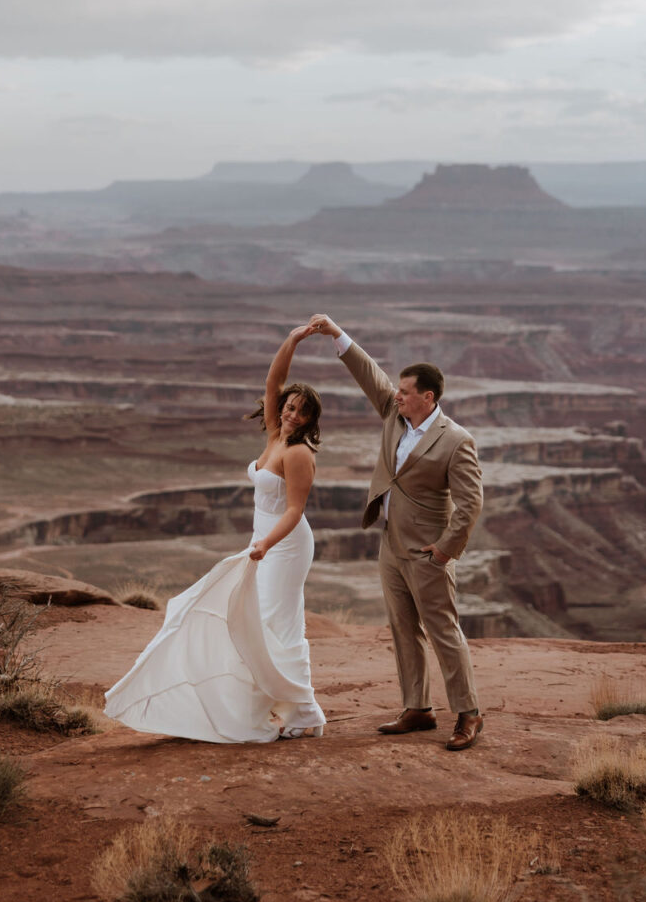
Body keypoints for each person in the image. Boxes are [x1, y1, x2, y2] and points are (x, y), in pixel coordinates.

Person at [104, 325, 326, 743]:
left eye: (301, 411)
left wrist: (265, 544)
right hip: (263, 541)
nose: (290, 413)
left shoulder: (298, 453)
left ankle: (305, 712)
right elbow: (272, 382)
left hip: (285, 545)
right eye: (289, 407)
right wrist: (293, 341)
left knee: (280, 625)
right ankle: (288, 706)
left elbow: (295, 510)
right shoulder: (276, 434)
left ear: (311, 420)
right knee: (259, 623)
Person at [308, 314, 484, 751]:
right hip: (391, 543)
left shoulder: (455, 440)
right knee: (403, 628)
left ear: (427, 397)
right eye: (398, 392)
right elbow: (369, 374)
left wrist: (446, 550)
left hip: (427, 552)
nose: (397, 396)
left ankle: (468, 713)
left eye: (405, 392)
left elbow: (471, 503)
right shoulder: (394, 414)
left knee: (442, 630)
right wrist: (336, 334)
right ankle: (417, 708)